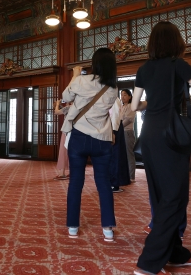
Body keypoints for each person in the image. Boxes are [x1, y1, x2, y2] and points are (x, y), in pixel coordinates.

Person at [131, 21, 191, 275]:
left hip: (149, 134)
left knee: (161, 194)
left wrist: (156, 102)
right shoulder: (178, 65)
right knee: (174, 197)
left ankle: (175, 253)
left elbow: (134, 106)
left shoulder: (144, 68)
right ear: (176, 43)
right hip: (171, 135)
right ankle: (149, 262)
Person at [62, 47, 119, 242]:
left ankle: (72, 227)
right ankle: (108, 229)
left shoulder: (82, 80)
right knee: (104, 184)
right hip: (102, 139)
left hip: (79, 137)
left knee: (76, 183)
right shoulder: (113, 88)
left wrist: (75, 74)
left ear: (94, 63)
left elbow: (65, 97)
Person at [109, 97, 130, 193]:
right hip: (110, 127)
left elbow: (116, 116)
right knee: (111, 156)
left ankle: (115, 183)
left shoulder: (114, 99)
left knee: (116, 157)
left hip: (115, 128)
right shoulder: (108, 97)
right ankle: (110, 182)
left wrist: (113, 132)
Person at [120, 89, 137, 182]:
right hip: (121, 133)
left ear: (130, 96)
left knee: (129, 155)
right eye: (121, 95)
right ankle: (125, 175)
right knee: (123, 155)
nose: (123, 97)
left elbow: (127, 120)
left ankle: (131, 177)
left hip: (127, 132)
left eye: (125, 95)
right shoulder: (121, 107)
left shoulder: (131, 106)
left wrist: (118, 129)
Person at [53, 100, 71, 180]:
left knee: (63, 151)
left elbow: (57, 112)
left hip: (67, 131)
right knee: (73, 152)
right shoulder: (77, 107)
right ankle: (72, 172)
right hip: (76, 131)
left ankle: (62, 173)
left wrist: (57, 104)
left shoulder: (69, 107)